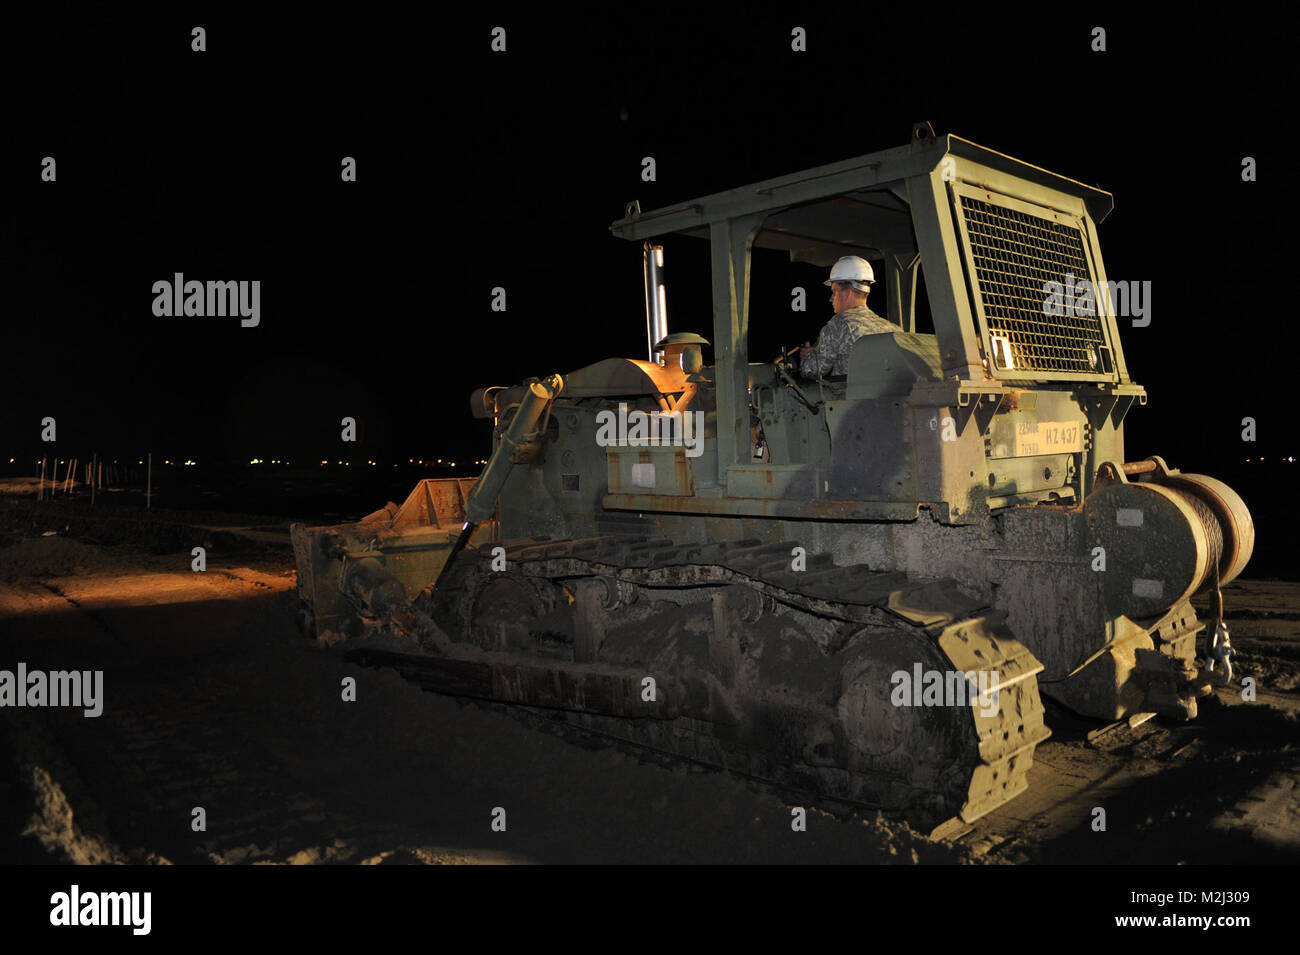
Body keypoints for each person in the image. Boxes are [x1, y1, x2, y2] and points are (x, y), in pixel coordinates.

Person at [799, 255, 896, 379]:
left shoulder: (838, 325)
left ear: (847, 294)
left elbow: (810, 371)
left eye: (834, 291)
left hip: (849, 397)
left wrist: (809, 355)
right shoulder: (892, 328)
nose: (831, 299)